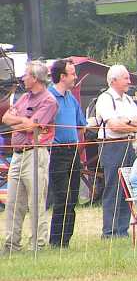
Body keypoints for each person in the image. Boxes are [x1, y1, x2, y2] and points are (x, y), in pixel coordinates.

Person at [2, 61, 58, 254]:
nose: (23, 78)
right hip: (17, 156)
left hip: (36, 154)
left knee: (36, 202)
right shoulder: (23, 97)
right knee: (13, 203)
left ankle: (38, 246)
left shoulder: (49, 101)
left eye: (26, 75)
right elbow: (6, 119)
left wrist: (23, 123)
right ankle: (11, 245)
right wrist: (23, 122)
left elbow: (31, 128)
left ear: (35, 78)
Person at [95, 65, 137, 238]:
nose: (129, 81)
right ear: (114, 80)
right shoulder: (105, 98)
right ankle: (109, 231)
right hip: (111, 146)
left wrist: (127, 120)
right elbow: (113, 126)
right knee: (113, 187)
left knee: (127, 187)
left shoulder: (128, 100)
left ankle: (122, 230)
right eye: (125, 78)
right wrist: (131, 125)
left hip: (128, 144)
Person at [47, 58, 88, 247]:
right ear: (62, 76)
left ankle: (66, 240)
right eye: (72, 74)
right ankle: (56, 241)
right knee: (61, 197)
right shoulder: (48, 98)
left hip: (73, 153)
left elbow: (81, 125)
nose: (75, 77)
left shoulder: (71, 98)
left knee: (72, 198)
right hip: (56, 153)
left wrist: (78, 147)